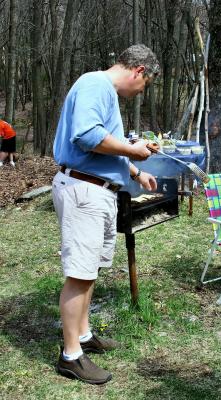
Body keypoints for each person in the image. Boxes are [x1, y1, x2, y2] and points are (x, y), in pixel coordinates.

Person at [52, 44, 160, 385]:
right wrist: (132, 149)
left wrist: (134, 171)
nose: (141, 91)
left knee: (90, 269)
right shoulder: (95, 84)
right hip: (84, 190)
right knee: (79, 273)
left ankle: (83, 336)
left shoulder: (105, 93)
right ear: (139, 71)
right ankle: (71, 356)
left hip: (98, 189)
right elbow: (86, 136)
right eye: (146, 84)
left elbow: (105, 143)